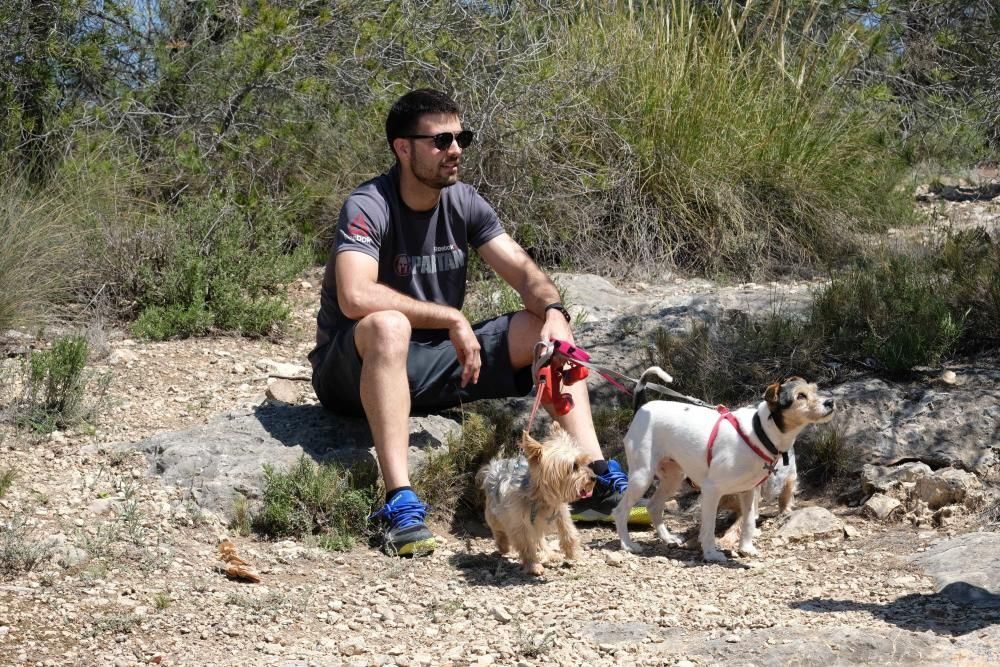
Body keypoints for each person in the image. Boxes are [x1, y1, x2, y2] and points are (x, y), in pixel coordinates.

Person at [309, 88, 647, 556]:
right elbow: (354, 295)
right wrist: (452, 317)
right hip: (354, 368)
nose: (456, 149)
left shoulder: (465, 202)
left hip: (440, 365)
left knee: (541, 332)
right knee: (388, 324)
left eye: (461, 136)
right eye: (441, 140)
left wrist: (554, 313)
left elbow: (526, 273)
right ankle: (399, 503)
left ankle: (595, 477)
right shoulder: (370, 205)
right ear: (402, 148)